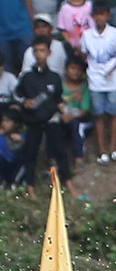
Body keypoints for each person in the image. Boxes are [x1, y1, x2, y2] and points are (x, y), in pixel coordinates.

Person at [14, 35, 76, 195]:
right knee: (31, 153)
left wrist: (67, 112)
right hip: (34, 120)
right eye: (36, 51)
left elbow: (58, 99)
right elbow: (17, 95)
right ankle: (30, 187)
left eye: (42, 51)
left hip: (51, 118)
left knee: (60, 151)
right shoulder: (27, 77)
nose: (39, 54)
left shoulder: (54, 77)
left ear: (48, 53)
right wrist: (24, 103)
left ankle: (68, 183)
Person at [80, 0, 116, 163]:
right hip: (95, 80)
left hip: (114, 80)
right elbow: (84, 55)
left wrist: (109, 69)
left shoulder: (115, 33)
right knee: (98, 115)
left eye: (102, 14)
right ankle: (102, 150)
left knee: (113, 114)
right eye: (96, 15)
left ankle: (112, 148)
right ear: (93, 16)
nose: (99, 17)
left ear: (108, 15)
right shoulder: (87, 35)